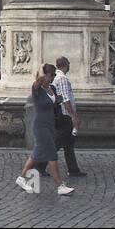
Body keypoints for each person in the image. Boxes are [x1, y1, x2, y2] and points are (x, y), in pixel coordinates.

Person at [17, 64, 74, 195]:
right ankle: (60, 186)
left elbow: (52, 103)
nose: (53, 78)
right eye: (51, 75)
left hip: (49, 124)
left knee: (36, 155)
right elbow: (39, 79)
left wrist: (57, 100)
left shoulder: (52, 88)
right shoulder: (37, 89)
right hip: (40, 125)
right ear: (45, 75)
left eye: (54, 75)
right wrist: (42, 68)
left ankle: (21, 177)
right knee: (52, 154)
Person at [52, 57, 85, 177]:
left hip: (61, 115)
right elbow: (66, 99)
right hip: (64, 116)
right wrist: (73, 115)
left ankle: (73, 169)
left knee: (67, 143)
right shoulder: (62, 79)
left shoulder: (57, 77)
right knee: (59, 143)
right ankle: (39, 164)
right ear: (66, 65)